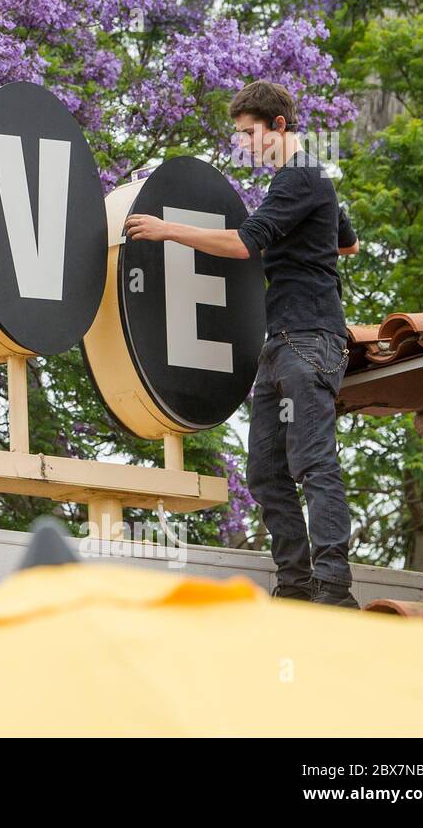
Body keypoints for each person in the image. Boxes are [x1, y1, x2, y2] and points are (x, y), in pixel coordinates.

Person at [124, 80, 361, 607]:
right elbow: (349, 242)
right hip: (281, 344)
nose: (244, 144)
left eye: (248, 134)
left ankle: (334, 590)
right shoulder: (308, 181)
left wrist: (169, 230)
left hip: (309, 339)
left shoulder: (300, 177)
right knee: (265, 473)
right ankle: (297, 585)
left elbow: (240, 244)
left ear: (278, 126)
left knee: (313, 463)